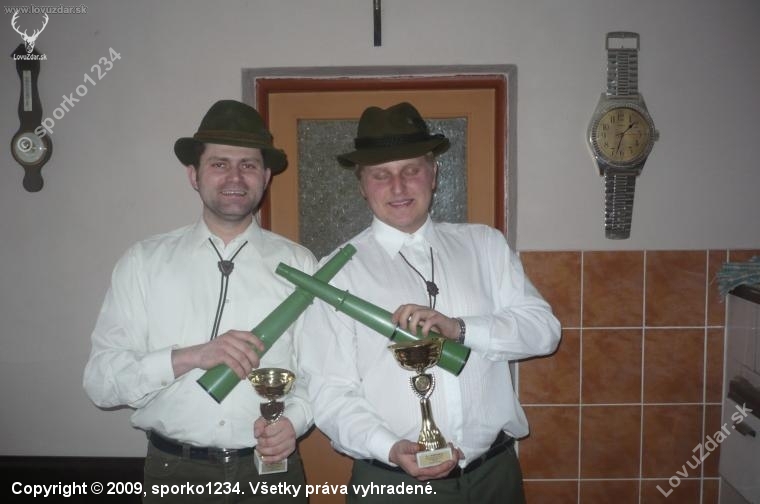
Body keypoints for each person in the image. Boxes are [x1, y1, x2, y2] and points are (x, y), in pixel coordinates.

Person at [298, 102, 561, 503]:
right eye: (381, 175)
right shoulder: (336, 272)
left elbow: (544, 333)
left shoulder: (484, 245)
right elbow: (330, 391)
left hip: (493, 476)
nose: (398, 187)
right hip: (392, 484)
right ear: (362, 185)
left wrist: (460, 328)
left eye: (411, 170)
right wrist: (389, 447)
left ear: (434, 174)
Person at [83, 100, 315, 504]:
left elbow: (320, 373)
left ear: (266, 176)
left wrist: (294, 421)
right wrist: (190, 357)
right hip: (175, 474)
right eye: (219, 164)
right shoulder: (143, 262)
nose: (235, 177)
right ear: (194, 175)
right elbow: (101, 383)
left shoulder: (301, 264)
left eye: (248, 165)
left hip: (271, 475)